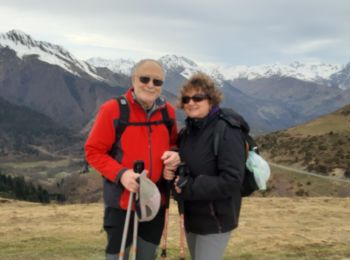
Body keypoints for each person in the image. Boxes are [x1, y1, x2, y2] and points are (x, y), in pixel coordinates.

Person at [85, 59, 180, 260]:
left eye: (157, 82)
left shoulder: (167, 112)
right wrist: (122, 174)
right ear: (133, 79)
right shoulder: (113, 110)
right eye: (144, 79)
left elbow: (174, 145)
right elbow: (93, 151)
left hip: (155, 201)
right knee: (118, 256)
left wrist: (173, 158)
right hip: (121, 203)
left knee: (146, 255)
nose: (150, 85)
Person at [165, 72, 246, 260]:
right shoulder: (187, 133)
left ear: (211, 100)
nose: (191, 102)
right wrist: (175, 179)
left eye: (198, 97)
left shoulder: (226, 130)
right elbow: (186, 172)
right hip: (192, 217)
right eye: (186, 99)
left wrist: (190, 186)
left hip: (215, 219)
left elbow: (232, 180)